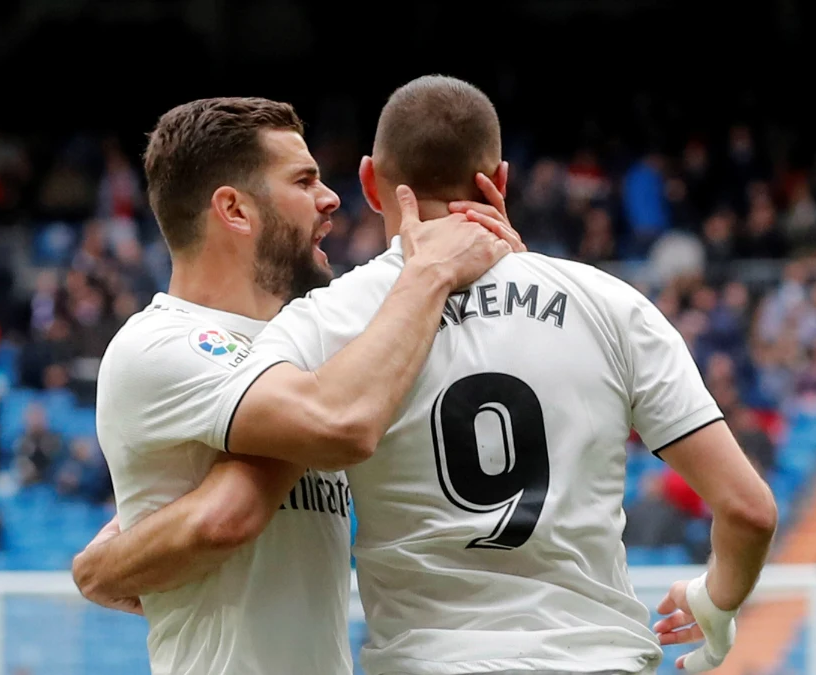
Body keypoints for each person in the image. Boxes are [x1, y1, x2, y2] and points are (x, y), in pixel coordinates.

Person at [75, 96, 521, 675]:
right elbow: (331, 430)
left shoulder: (310, 346)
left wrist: (111, 561)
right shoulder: (162, 343)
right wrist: (429, 273)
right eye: (304, 180)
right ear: (234, 210)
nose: (331, 197)